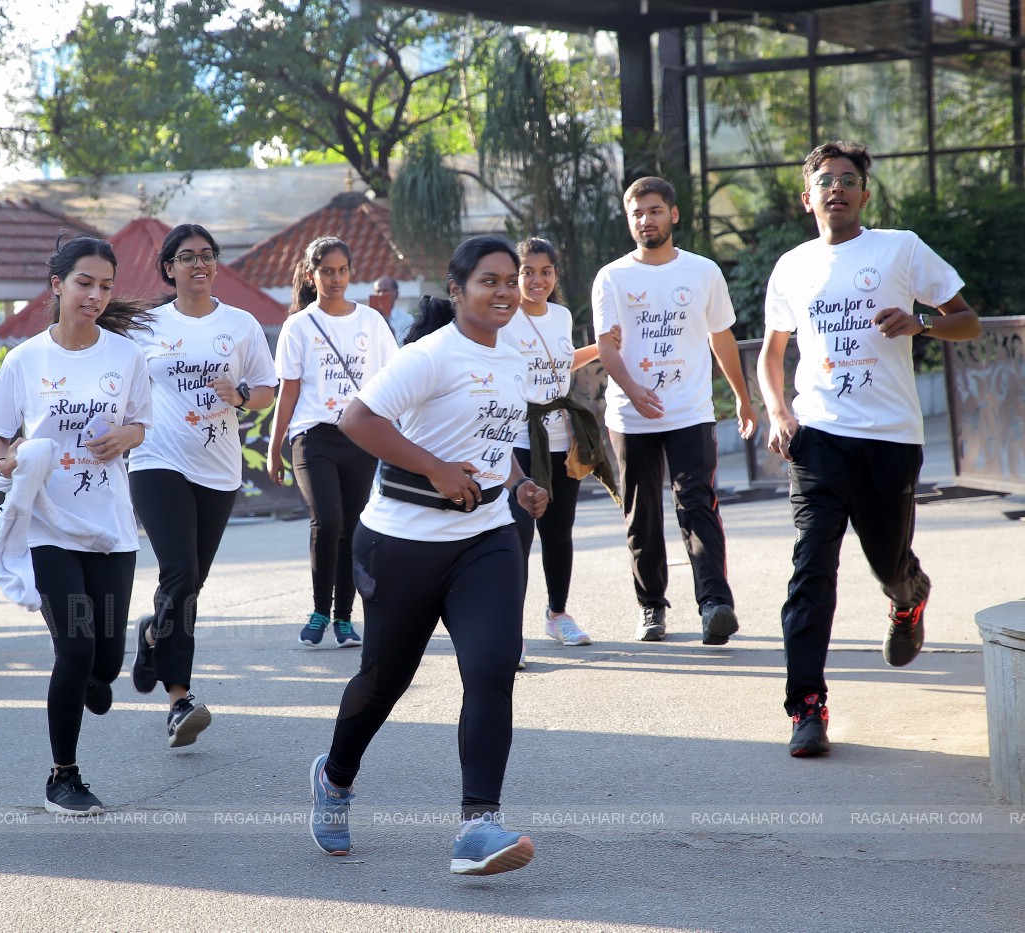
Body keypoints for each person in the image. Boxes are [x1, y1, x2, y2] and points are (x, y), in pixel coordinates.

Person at [309, 235, 548, 876]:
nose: (503, 292)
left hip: (487, 536)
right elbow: (358, 420)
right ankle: (334, 780)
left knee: (493, 669)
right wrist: (437, 468)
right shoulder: (429, 355)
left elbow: (497, 437)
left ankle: (478, 824)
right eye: (488, 281)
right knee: (385, 682)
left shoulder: (516, 352)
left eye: (510, 280)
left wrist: (519, 480)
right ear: (458, 290)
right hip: (401, 542)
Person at [757, 140, 981, 758]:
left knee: (888, 561)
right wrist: (779, 412)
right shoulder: (793, 266)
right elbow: (772, 354)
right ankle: (807, 706)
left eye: (848, 179)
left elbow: (968, 320)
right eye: (825, 180)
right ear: (808, 198)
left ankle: (907, 596)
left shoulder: (900, 249)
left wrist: (922, 323)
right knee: (810, 573)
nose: (837, 188)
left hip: (889, 438)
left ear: (864, 193)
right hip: (819, 437)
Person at [0, 235, 153, 814]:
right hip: (49, 525)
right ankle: (63, 776)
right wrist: (10, 462)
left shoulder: (126, 357)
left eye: (105, 285)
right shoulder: (25, 360)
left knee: (105, 664)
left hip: (110, 524)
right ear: (56, 285)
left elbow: (140, 425)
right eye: (84, 283)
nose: (96, 295)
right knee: (75, 650)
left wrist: (127, 435)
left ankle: (96, 677)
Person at [127, 223, 277, 748]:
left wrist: (238, 394)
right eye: (187, 256)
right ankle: (179, 700)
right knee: (181, 571)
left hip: (217, 468)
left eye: (207, 256)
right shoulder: (144, 325)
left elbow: (266, 391)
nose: (199, 264)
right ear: (168, 268)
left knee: (187, 587)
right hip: (156, 461)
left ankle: (151, 635)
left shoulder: (240, 325)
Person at [593, 176, 757, 646]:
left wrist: (743, 399)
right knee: (641, 515)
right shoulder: (613, 276)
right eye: (637, 214)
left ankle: (715, 605)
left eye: (654, 211)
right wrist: (633, 389)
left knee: (697, 504)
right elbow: (607, 346)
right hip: (631, 414)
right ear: (630, 221)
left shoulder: (703, 271)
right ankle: (652, 608)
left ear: (673, 214)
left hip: (690, 411)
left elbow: (720, 336)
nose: (646, 220)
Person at [268, 236, 396, 649]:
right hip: (312, 436)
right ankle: (320, 610)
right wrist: (275, 448)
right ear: (312, 275)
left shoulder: (371, 322)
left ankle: (344, 619)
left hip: (358, 436)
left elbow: (392, 380)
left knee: (352, 526)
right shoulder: (298, 326)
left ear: (351, 273)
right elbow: (287, 391)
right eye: (327, 271)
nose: (336, 278)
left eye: (342, 270)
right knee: (328, 520)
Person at [501, 237, 603, 654]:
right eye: (527, 272)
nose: (537, 279)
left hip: (564, 439)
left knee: (558, 533)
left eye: (545, 271)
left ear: (555, 275)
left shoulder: (560, 316)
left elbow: (561, 362)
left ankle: (557, 614)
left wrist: (602, 347)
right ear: (516, 276)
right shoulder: (505, 318)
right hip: (522, 440)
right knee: (518, 536)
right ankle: (509, 632)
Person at [368, 275, 411, 343]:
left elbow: (403, 344)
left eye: (385, 291)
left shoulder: (407, 320)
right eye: (378, 291)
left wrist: (385, 321)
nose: (381, 294)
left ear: (396, 294)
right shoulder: (366, 319)